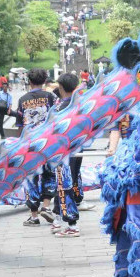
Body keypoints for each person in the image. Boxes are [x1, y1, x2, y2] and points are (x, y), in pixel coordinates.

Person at [16, 68, 58, 227]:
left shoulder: (22, 99)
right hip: (48, 143)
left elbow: (20, 124)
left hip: (30, 144)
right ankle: (46, 206)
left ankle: (34, 216)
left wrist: (20, 143)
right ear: (44, 81)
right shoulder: (51, 97)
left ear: (29, 81)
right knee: (49, 174)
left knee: (31, 178)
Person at [50, 73, 85, 237]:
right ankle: (57, 218)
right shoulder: (81, 104)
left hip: (63, 153)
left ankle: (72, 224)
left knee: (65, 185)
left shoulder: (59, 108)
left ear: (61, 87)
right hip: (78, 150)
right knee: (64, 184)